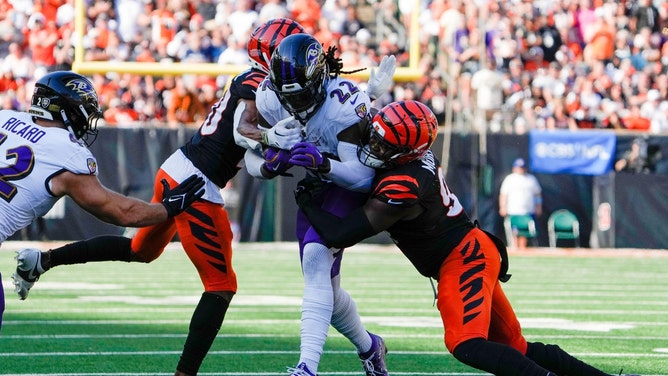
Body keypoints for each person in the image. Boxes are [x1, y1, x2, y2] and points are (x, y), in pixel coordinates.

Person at [9, 18, 307, 376]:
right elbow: (244, 131)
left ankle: (42, 261)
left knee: (141, 251)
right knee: (221, 285)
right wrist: (273, 139)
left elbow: (248, 159)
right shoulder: (257, 81)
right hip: (196, 182)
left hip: (180, 168)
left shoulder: (262, 85)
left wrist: (272, 162)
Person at [293, 100, 637, 376]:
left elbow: (339, 233)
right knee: (516, 346)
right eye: (376, 137)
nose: (375, 146)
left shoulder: (404, 184)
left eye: (386, 145)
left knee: (465, 343)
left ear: (406, 153)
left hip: (462, 257)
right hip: (472, 248)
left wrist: (307, 200)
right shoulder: (413, 159)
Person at [1, 70, 205, 331]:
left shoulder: (5, 118)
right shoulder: (67, 153)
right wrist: (168, 208)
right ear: (68, 110)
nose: (86, 121)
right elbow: (122, 213)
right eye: (84, 112)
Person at [240, 33, 394, 376]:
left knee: (314, 257)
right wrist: (268, 164)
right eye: (287, 96)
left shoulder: (343, 104)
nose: (295, 105)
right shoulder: (267, 96)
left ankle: (306, 366)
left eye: (303, 94)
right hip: (317, 186)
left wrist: (323, 164)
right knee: (327, 288)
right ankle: (371, 347)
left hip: (347, 181)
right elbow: (249, 160)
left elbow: (363, 177)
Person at [498, 157, 542, 249]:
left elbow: (537, 195)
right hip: (513, 211)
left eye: (522, 167)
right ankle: (515, 248)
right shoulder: (509, 179)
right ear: (514, 168)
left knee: (524, 231)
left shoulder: (531, 179)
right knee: (514, 231)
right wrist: (502, 207)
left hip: (528, 211)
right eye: (518, 167)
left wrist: (538, 207)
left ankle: (522, 249)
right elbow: (503, 195)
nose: (520, 169)